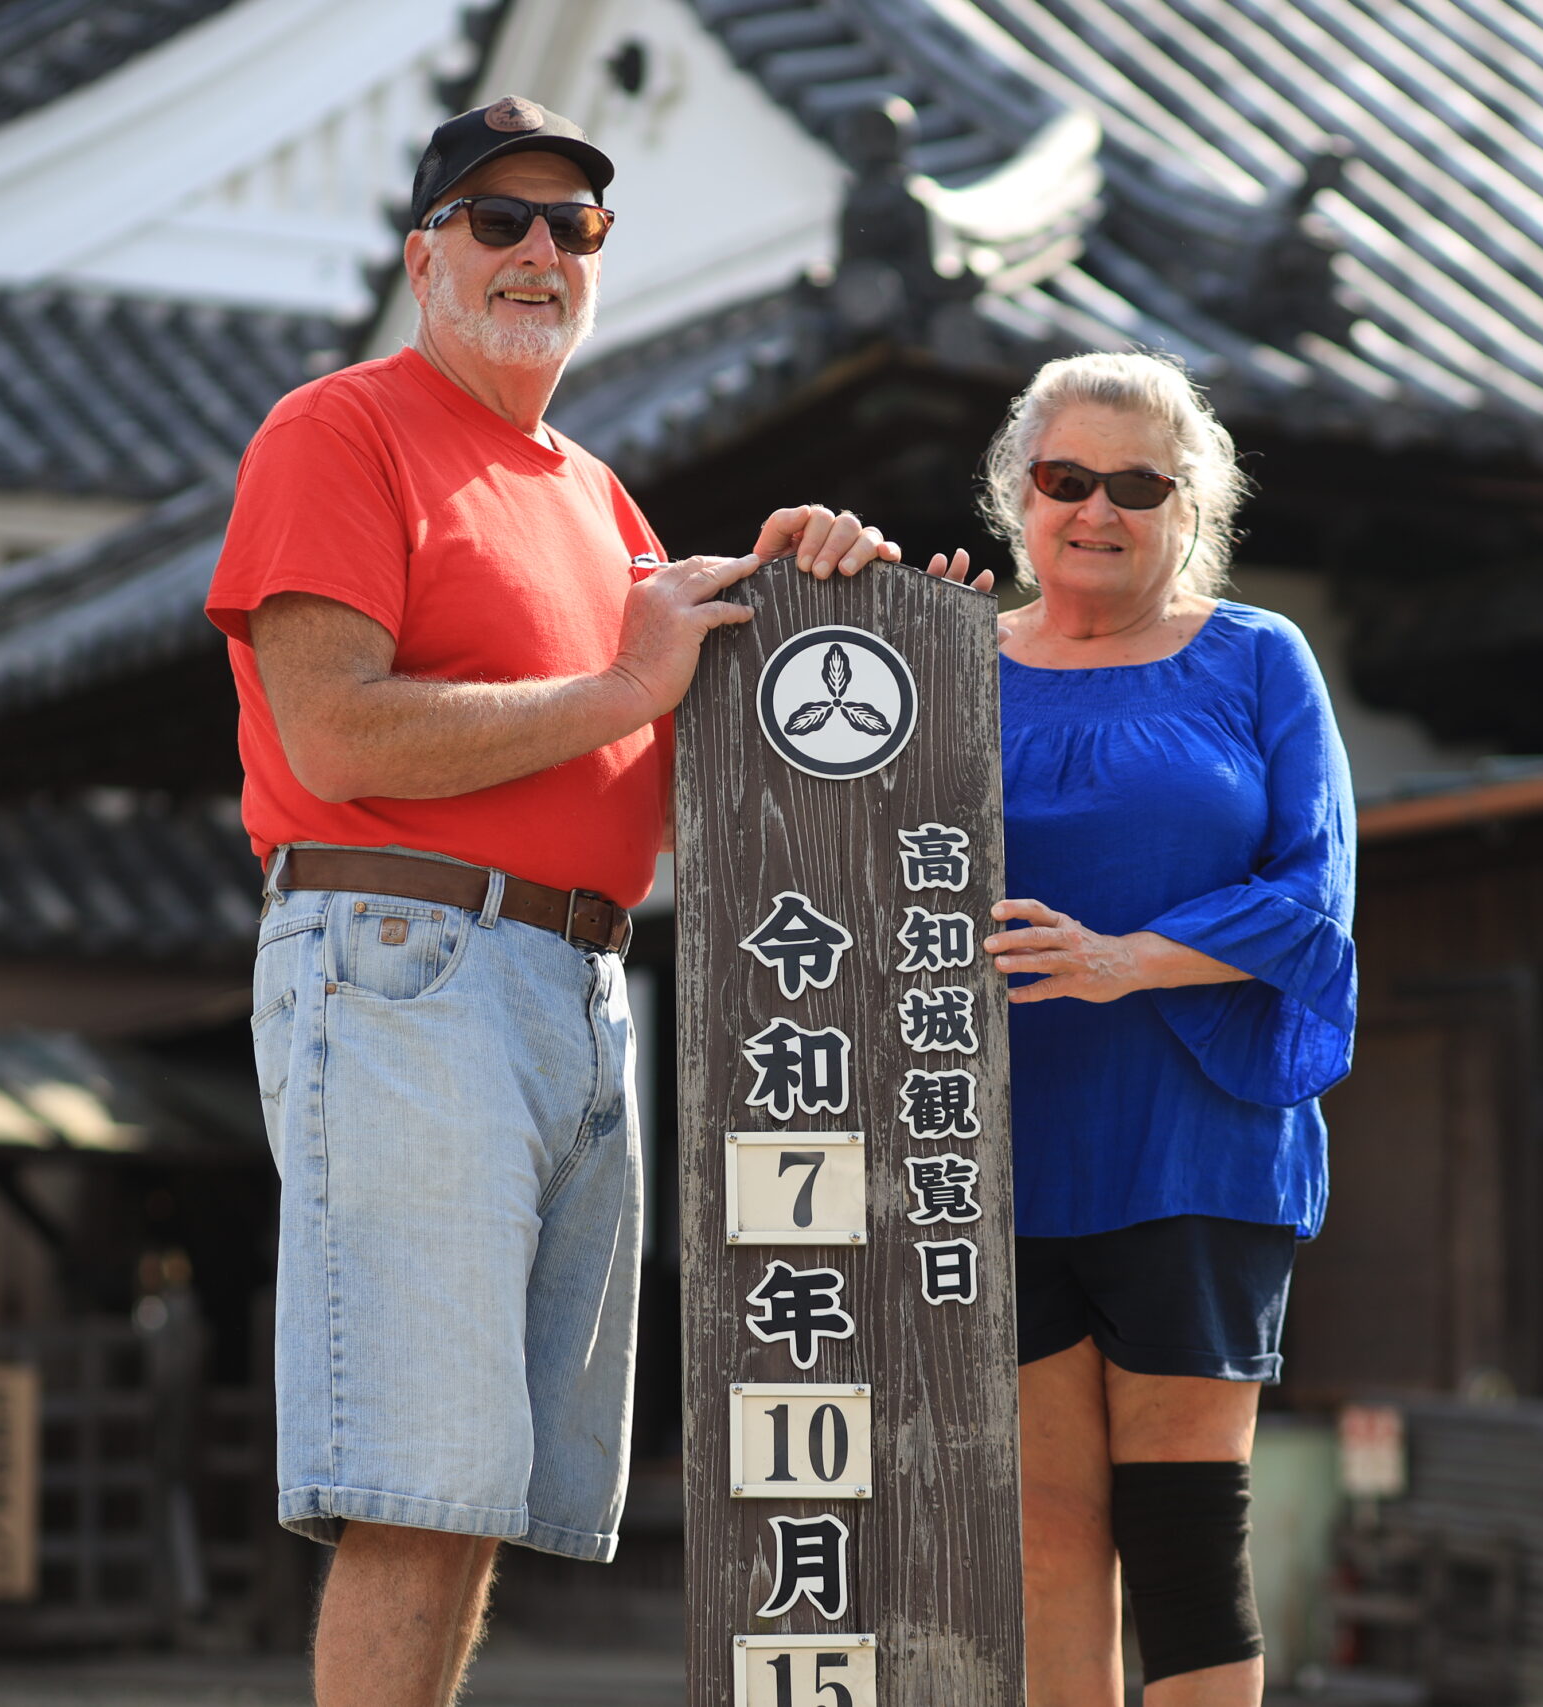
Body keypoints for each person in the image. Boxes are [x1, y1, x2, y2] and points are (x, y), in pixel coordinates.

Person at [203, 98, 913, 1707]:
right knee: (414, 1474)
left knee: (488, 1484)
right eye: (495, 219)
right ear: (423, 254)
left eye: (571, 226)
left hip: (584, 978)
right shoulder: (340, 426)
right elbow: (337, 726)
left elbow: (682, 767)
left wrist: (828, 610)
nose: (536, 250)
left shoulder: (601, 501)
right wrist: (625, 675)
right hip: (408, 951)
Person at [966, 353, 1357, 1707]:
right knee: (1043, 1535)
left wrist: (1125, 959)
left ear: (1194, 509)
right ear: (1019, 495)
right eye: (1067, 478)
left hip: (1195, 1143)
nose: (1098, 510)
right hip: (994, 1147)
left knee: (1185, 1537)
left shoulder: (1259, 660)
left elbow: (1314, 896)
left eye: (1139, 484)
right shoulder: (937, 662)